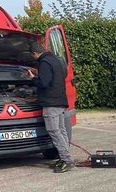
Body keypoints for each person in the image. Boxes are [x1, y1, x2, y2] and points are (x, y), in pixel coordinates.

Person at [27, 41, 72, 173]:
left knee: (54, 131)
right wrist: (38, 72)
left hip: (51, 103)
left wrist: (32, 78)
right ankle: (65, 157)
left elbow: (44, 83)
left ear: (35, 53)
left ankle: (66, 160)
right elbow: (55, 78)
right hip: (60, 101)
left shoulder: (44, 62)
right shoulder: (55, 60)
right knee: (61, 130)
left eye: (33, 56)